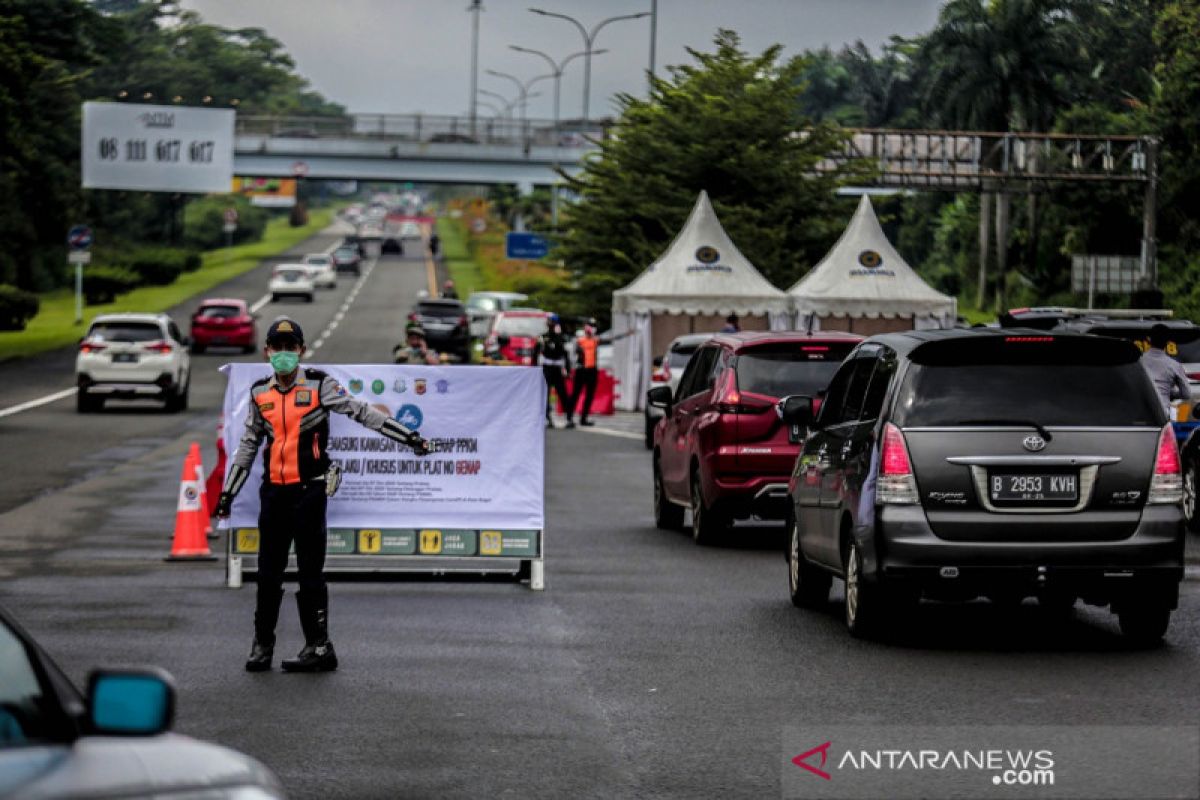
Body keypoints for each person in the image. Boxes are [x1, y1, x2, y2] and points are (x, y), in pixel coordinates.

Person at [216, 318, 431, 673]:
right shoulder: (259, 392)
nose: (284, 354)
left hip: (310, 491)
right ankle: (262, 645)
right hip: (273, 495)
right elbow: (249, 443)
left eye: (291, 347)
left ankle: (319, 647)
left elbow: (363, 413)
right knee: (268, 573)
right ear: (267, 351)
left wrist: (409, 438)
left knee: (310, 572)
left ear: (301, 350)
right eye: (277, 347)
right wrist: (228, 494)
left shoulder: (319, 385)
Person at [1141, 323, 1192, 417]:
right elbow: (1187, 394)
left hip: (1141, 412)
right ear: (1168, 342)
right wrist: (1170, 393)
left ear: (1149, 340)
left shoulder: (1138, 362)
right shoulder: (1174, 365)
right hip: (1163, 413)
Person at [539, 313, 573, 429]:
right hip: (547, 368)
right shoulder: (543, 336)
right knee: (545, 394)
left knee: (563, 394)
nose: (548, 323)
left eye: (551, 321)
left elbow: (565, 354)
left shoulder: (561, 337)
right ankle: (548, 418)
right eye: (548, 320)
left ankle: (569, 418)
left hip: (557, 368)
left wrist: (568, 370)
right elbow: (537, 352)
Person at [568, 323, 601, 427]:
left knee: (590, 395)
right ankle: (569, 417)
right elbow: (573, 352)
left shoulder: (595, 340)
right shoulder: (580, 340)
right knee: (575, 394)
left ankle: (584, 418)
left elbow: (609, 338)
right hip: (581, 370)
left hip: (592, 370)